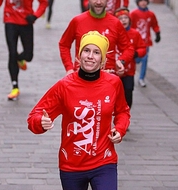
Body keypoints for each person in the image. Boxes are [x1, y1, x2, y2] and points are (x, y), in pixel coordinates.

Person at [28, 31, 130, 190]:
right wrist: (40, 122)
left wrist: (120, 129)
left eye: (96, 52)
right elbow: (34, 116)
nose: (90, 56)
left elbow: (123, 111)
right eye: (86, 51)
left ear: (102, 60)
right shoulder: (65, 86)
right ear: (79, 56)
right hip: (72, 165)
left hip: (104, 161)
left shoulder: (113, 83)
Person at [59, 0, 134, 76]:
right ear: (88, 0)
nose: (98, 2)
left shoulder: (115, 23)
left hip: (108, 76)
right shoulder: (77, 21)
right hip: (81, 75)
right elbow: (64, 44)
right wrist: (69, 68)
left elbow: (128, 48)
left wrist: (122, 61)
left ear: (107, 0)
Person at [115, 8, 146, 109]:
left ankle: (126, 111)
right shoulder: (113, 33)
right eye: (120, 18)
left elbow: (142, 48)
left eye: (125, 18)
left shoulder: (135, 33)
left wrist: (137, 53)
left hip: (129, 70)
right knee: (115, 92)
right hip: (115, 70)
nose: (123, 20)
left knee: (128, 90)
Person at [130, 0, 161, 87]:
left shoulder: (150, 14)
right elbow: (129, 25)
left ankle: (141, 78)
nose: (143, 3)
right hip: (135, 41)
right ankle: (130, 74)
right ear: (138, 3)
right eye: (141, 1)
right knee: (135, 59)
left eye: (145, 1)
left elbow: (154, 24)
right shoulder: (134, 14)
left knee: (145, 59)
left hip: (146, 42)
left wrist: (157, 33)